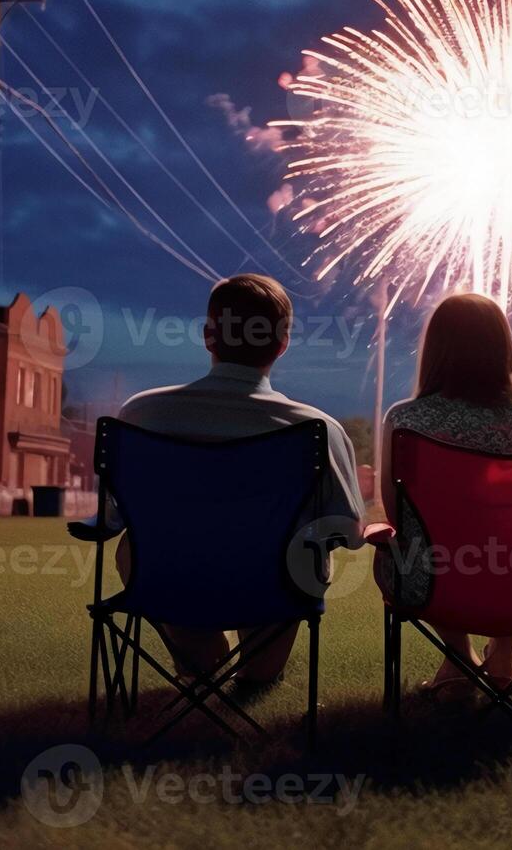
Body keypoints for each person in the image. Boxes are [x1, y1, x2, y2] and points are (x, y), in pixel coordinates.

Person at [105, 274, 364, 689]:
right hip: (275, 585)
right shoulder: (317, 429)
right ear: (282, 344)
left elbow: (111, 518)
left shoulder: (141, 415)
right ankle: (252, 663)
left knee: (134, 546)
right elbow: (348, 531)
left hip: (171, 578)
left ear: (209, 336)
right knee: (261, 676)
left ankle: (198, 652)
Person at [378, 292, 512, 694]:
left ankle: (458, 658)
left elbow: (398, 515)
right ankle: (504, 656)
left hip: (435, 582)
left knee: (413, 546)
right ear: (503, 346)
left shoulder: (405, 419)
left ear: (435, 351)